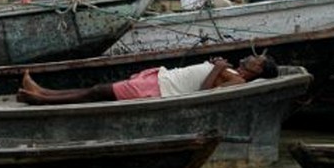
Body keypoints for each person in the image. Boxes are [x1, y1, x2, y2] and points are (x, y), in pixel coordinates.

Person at [17, 55, 279, 105]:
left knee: (97, 91)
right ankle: (43, 92)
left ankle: (41, 98)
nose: (251, 57)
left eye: (257, 60)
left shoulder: (240, 82)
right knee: (96, 91)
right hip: (160, 79)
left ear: (258, 71)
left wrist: (215, 69)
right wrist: (216, 65)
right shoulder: (232, 70)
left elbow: (207, 92)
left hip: (160, 89)